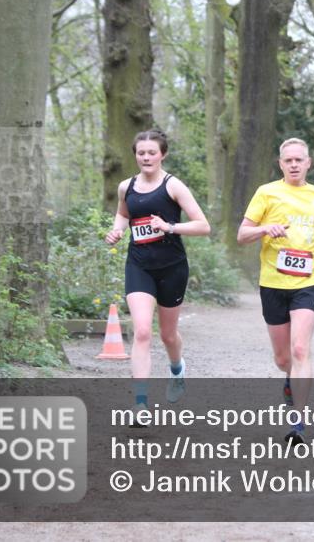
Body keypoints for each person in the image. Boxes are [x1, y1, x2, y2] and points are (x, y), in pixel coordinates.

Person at [238, 138, 314, 445]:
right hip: (273, 282)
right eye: (288, 160)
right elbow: (242, 235)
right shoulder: (266, 193)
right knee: (283, 357)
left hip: (309, 281)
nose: (294, 164)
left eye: (299, 160)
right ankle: (288, 378)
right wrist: (264, 229)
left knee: (299, 350)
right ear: (280, 164)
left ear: (308, 163)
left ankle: (298, 422)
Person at [104, 129, 211, 413]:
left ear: (162, 154)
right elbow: (123, 215)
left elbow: (203, 225)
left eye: (152, 152)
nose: (146, 157)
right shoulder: (126, 187)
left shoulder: (173, 186)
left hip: (172, 267)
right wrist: (116, 231)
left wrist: (170, 227)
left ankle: (177, 370)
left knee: (167, 335)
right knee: (141, 332)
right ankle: (140, 404)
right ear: (135, 155)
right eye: (141, 153)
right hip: (139, 266)